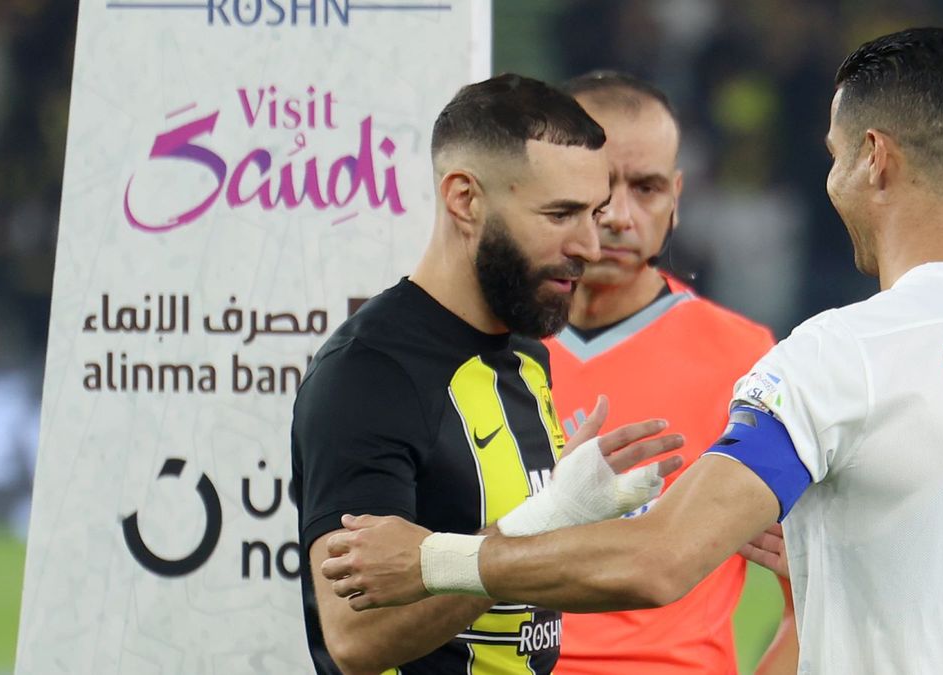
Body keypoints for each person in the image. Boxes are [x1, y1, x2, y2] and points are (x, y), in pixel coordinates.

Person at [321, 29, 943, 674]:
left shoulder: (844, 355)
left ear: (873, 159)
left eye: (831, 157)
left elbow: (660, 557)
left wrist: (430, 556)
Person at [290, 73, 686, 675]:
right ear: (464, 199)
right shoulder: (369, 374)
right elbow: (355, 640)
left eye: (593, 213)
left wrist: (567, 518)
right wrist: (543, 520)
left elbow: (529, 588)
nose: (590, 243)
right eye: (561, 214)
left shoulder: (527, 353)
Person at [544, 71, 798, 674]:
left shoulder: (750, 361)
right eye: (599, 187)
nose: (619, 217)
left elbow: (812, 600)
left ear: (677, 198)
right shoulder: (483, 346)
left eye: (648, 188)